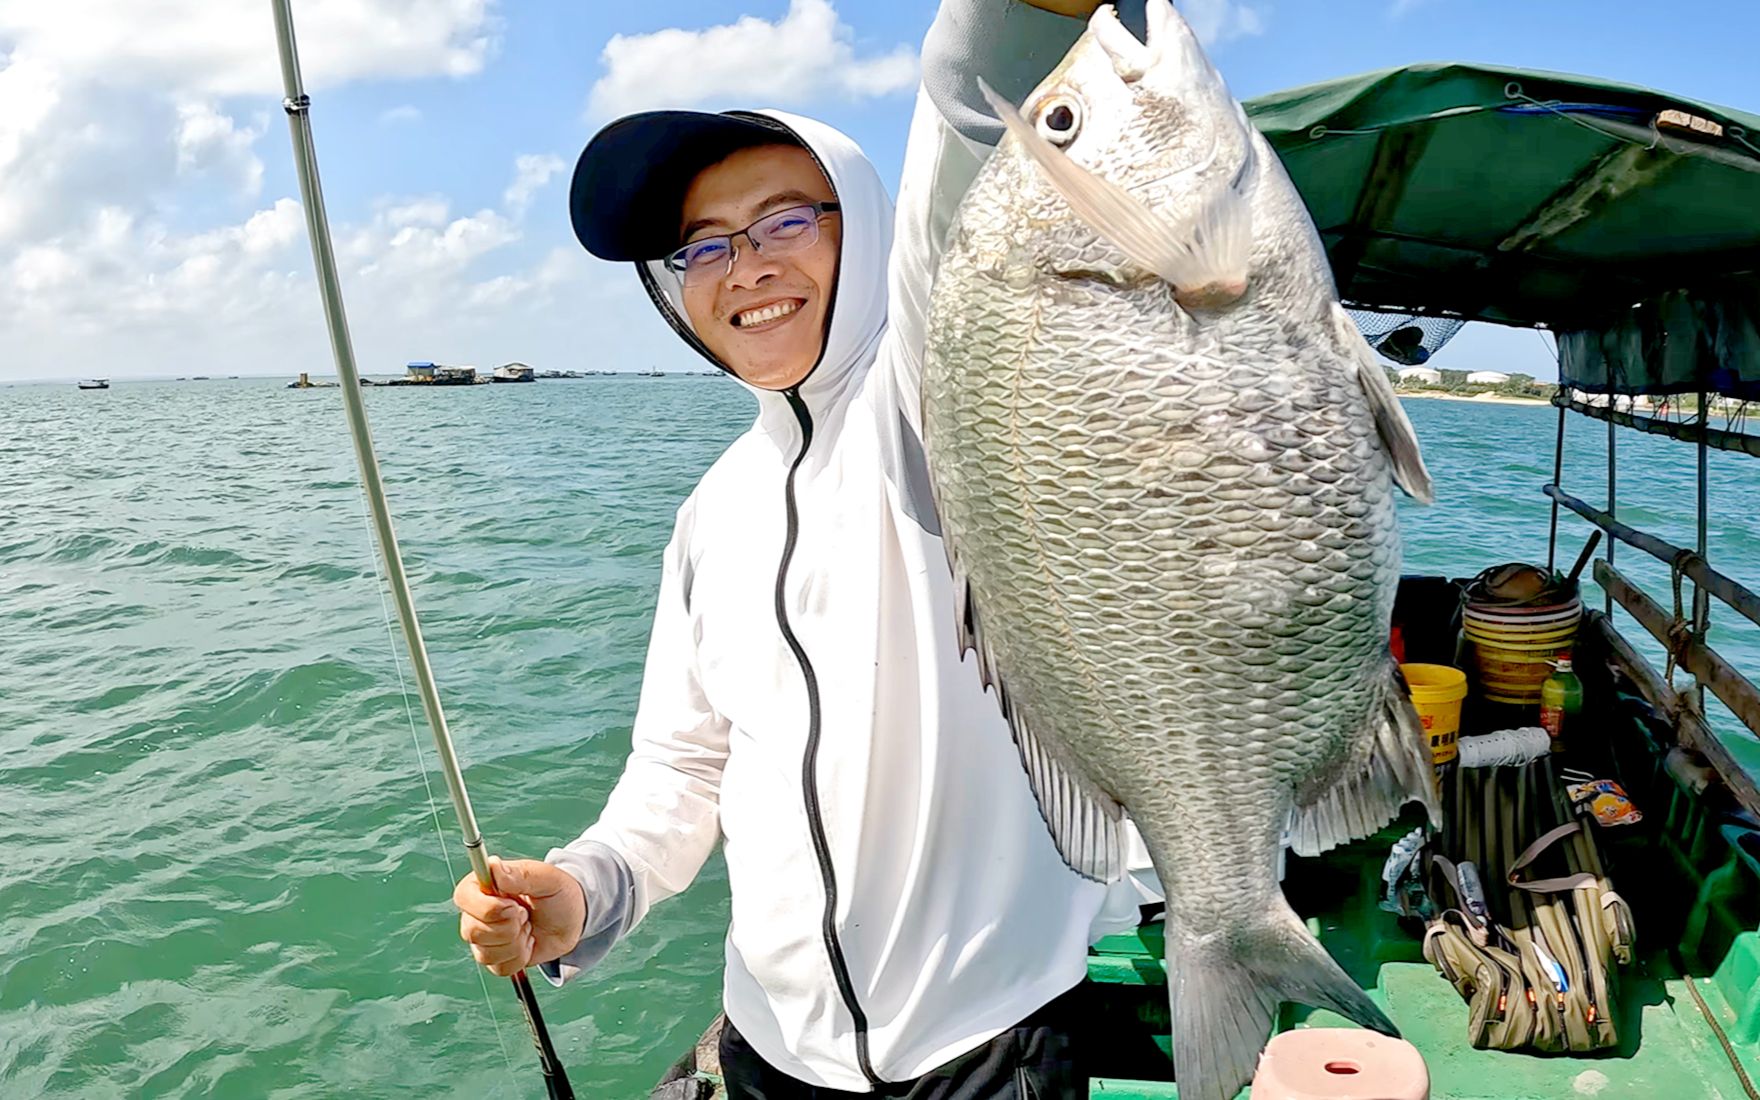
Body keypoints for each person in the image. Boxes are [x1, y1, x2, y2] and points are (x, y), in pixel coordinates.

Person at [453, 0, 1161, 1094]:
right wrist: (583, 887)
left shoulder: (937, 399)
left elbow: (981, 116)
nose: (742, 266)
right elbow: (683, 764)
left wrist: (1020, 25)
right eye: (701, 244)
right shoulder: (709, 511)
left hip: (984, 1045)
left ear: (868, 229)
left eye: (787, 220)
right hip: (765, 1046)